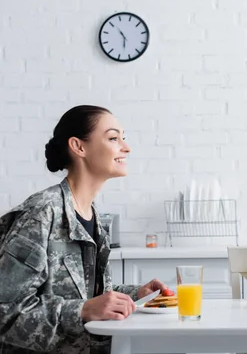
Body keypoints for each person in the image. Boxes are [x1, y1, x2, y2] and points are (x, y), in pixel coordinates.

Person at [0, 105, 169, 354]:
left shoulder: (91, 214)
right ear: (79, 147)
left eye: (124, 137)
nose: (126, 147)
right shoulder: (41, 213)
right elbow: (6, 310)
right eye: (113, 138)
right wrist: (82, 311)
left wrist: (136, 294)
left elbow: (87, 294)